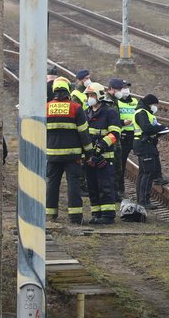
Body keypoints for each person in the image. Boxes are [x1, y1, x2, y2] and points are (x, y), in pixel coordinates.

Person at [45, 78, 93, 223]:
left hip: (52, 155)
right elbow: (84, 133)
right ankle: (75, 217)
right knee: (73, 184)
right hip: (72, 155)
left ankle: (50, 215)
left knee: (52, 184)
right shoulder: (76, 108)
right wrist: (89, 153)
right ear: (68, 90)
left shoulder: (46, 108)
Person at [83, 82, 121, 225]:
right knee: (92, 187)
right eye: (88, 95)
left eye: (92, 95)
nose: (89, 98)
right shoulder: (87, 112)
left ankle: (108, 216)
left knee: (105, 186)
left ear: (99, 96)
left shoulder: (109, 112)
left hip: (105, 157)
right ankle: (96, 214)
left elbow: (115, 133)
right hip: (90, 158)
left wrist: (101, 146)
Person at [129, 93, 169, 221]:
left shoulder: (146, 113)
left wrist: (158, 131)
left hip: (146, 144)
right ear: (149, 104)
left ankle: (141, 199)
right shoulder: (142, 113)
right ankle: (144, 200)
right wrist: (161, 128)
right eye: (154, 105)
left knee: (143, 173)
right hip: (144, 145)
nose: (155, 107)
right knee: (147, 173)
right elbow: (146, 128)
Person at [109, 77, 138, 194]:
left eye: (126, 88)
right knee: (120, 165)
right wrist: (122, 123)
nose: (125, 90)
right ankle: (120, 189)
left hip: (134, 135)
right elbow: (113, 119)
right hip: (122, 135)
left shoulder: (135, 101)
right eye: (123, 88)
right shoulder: (116, 102)